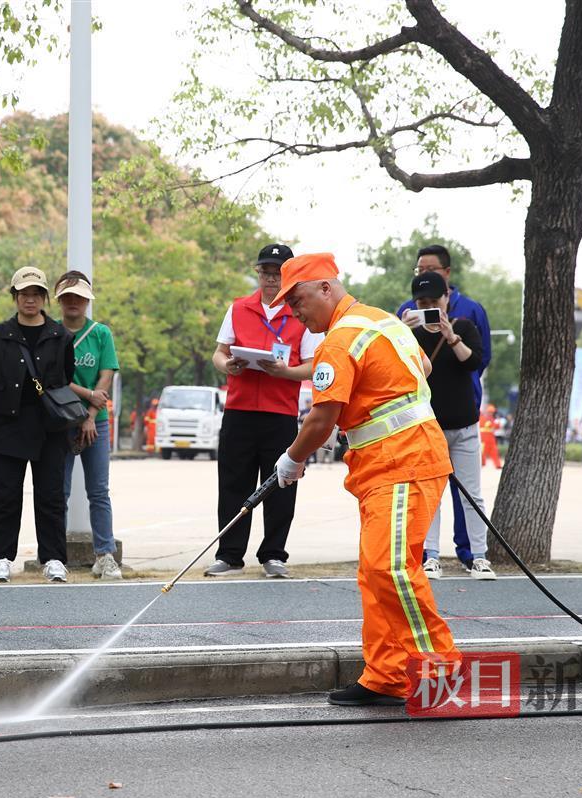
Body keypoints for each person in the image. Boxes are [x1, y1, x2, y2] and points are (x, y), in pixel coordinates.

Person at [271, 252, 460, 706]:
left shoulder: (339, 340)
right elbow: (423, 367)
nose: (295, 313)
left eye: (297, 301)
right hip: (394, 462)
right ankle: (387, 675)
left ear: (325, 288)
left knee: (388, 569)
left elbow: (321, 419)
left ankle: (441, 673)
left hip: (401, 462)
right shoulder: (382, 321)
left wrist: (292, 460)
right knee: (377, 571)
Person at [206, 243, 324, 579]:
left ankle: (273, 555)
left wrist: (285, 372)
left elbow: (313, 365)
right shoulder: (239, 308)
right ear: (257, 274)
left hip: (280, 413)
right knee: (233, 483)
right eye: (265, 273)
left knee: (281, 484)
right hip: (239, 409)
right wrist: (228, 365)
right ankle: (229, 555)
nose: (271, 280)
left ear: (290, 278)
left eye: (278, 274)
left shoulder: (300, 313)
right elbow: (219, 353)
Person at [399, 244, 491, 571]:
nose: (429, 309)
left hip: (464, 424)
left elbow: (475, 362)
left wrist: (451, 336)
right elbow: (397, 372)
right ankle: (431, 556)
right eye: (422, 304)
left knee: (471, 495)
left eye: (434, 303)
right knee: (429, 493)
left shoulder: (464, 325)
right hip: (427, 425)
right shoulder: (407, 333)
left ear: (446, 297)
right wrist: (402, 332)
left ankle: (479, 556)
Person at [0, 267, 75, 583]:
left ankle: (53, 559)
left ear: (45, 297)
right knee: (6, 495)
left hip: (50, 426)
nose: (30, 300)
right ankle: (1, 558)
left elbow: (67, 376)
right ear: (15, 296)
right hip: (8, 423)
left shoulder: (61, 336)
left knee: (51, 495)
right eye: (23, 294)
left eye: (36, 294)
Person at [54, 270, 123, 581]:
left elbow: (106, 375)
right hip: (61, 421)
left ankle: (104, 555)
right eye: (67, 296)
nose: (74, 302)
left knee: (99, 491)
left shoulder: (101, 334)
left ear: (87, 300)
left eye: (79, 297)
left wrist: (91, 415)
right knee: (59, 492)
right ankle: (56, 556)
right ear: (59, 300)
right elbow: (55, 379)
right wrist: (88, 397)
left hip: (97, 422)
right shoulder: (51, 333)